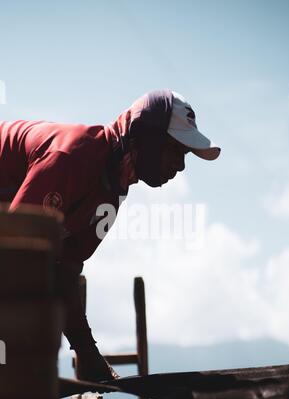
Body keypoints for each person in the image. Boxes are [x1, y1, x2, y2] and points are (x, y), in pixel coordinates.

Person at [0, 90, 221, 381]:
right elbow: (12, 258)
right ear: (146, 137)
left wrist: (91, 357)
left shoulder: (113, 192)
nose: (180, 166)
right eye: (177, 151)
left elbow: (65, 275)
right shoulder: (70, 158)